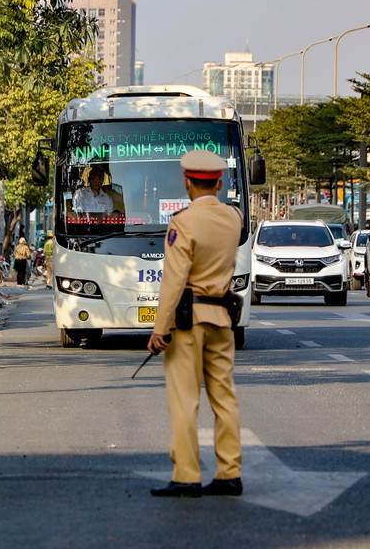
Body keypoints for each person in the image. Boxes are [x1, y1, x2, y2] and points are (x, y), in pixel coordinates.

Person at [147, 150, 244, 498]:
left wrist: (160, 329)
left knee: (185, 401)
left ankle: (187, 476)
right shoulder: (234, 218)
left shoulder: (183, 223)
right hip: (222, 318)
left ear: (187, 183)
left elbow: (174, 281)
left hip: (189, 323)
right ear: (219, 183)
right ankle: (229, 473)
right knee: (225, 397)